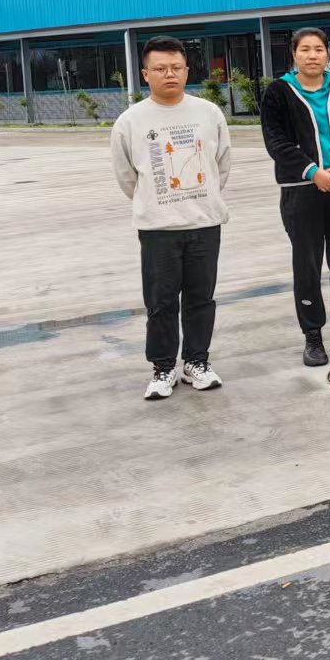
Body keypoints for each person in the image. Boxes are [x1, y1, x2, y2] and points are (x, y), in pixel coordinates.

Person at [110, 35, 233, 401]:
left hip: (204, 223)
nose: (169, 74)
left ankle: (197, 361)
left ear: (187, 71)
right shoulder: (130, 121)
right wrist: (153, 202)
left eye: (176, 67)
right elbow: (126, 176)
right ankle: (163, 368)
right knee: (161, 302)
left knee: (201, 298)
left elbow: (221, 164)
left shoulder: (208, 113)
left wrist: (202, 197)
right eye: (161, 68)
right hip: (158, 228)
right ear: (145, 74)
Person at [260, 28, 330, 367]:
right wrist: (313, 172)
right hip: (301, 192)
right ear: (293, 54)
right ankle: (312, 336)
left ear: (328, 54)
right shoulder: (278, 92)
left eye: (319, 49)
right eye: (305, 49)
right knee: (307, 264)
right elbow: (276, 142)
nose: (312, 55)